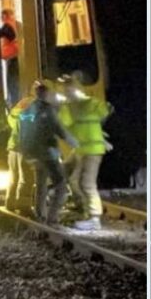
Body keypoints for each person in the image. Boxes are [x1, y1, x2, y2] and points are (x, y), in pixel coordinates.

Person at [17, 81, 78, 225]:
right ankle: (52, 218)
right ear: (46, 94)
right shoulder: (48, 110)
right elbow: (60, 130)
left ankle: (40, 215)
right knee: (61, 186)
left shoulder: (27, 110)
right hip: (47, 154)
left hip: (32, 153)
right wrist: (76, 144)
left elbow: (22, 131)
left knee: (41, 185)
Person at [59, 74, 113, 230]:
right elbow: (103, 112)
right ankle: (84, 211)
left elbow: (102, 112)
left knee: (86, 184)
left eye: (69, 88)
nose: (67, 91)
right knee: (74, 179)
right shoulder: (74, 106)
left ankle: (94, 219)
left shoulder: (83, 104)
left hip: (92, 150)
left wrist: (101, 138)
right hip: (83, 149)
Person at [4, 94, 36, 215]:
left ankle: (10, 203)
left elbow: (12, 122)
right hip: (25, 147)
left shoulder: (18, 107)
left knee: (14, 176)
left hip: (13, 147)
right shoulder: (33, 107)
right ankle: (24, 206)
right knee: (26, 178)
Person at [0, 9, 20, 106]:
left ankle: (14, 103)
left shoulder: (7, 26)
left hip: (12, 58)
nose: (1, 18)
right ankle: (13, 102)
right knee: (13, 83)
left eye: (2, 16)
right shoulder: (14, 24)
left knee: (12, 84)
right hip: (13, 57)